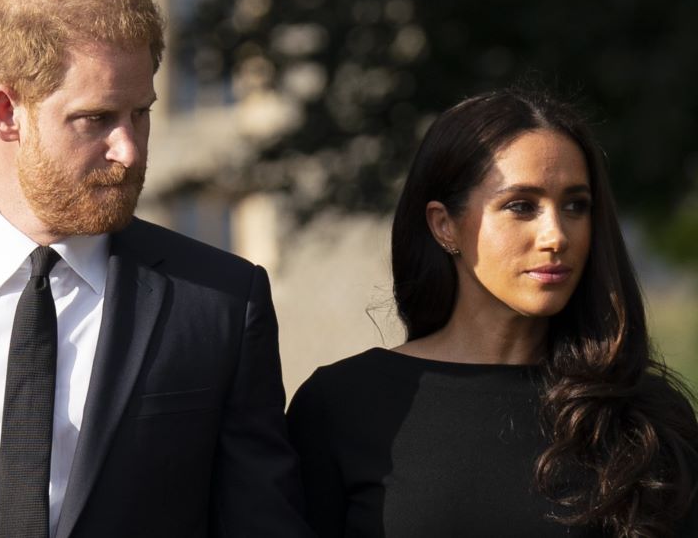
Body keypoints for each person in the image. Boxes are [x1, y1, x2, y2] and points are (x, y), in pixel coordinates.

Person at [0, 0, 306, 537]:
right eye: (95, 119)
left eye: (140, 115)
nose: (128, 150)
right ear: (7, 115)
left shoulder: (220, 302)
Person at [287, 89, 698, 537]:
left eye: (575, 205)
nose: (556, 235)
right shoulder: (342, 405)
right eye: (521, 205)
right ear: (444, 225)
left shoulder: (645, 415)